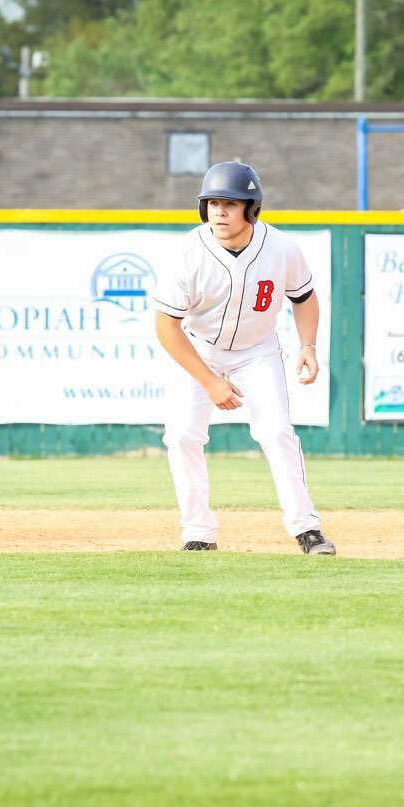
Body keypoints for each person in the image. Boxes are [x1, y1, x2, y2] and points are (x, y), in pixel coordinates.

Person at [153, 161, 336, 556]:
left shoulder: (281, 248)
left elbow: (303, 297)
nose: (219, 211)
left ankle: (307, 529)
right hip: (199, 349)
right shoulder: (188, 252)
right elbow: (166, 326)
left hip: (257, 352)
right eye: (212, 203)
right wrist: (209, 381)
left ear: (250, 208)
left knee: (277, 432)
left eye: (229, 204)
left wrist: (308, 346)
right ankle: (198, 532)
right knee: (183, 435)